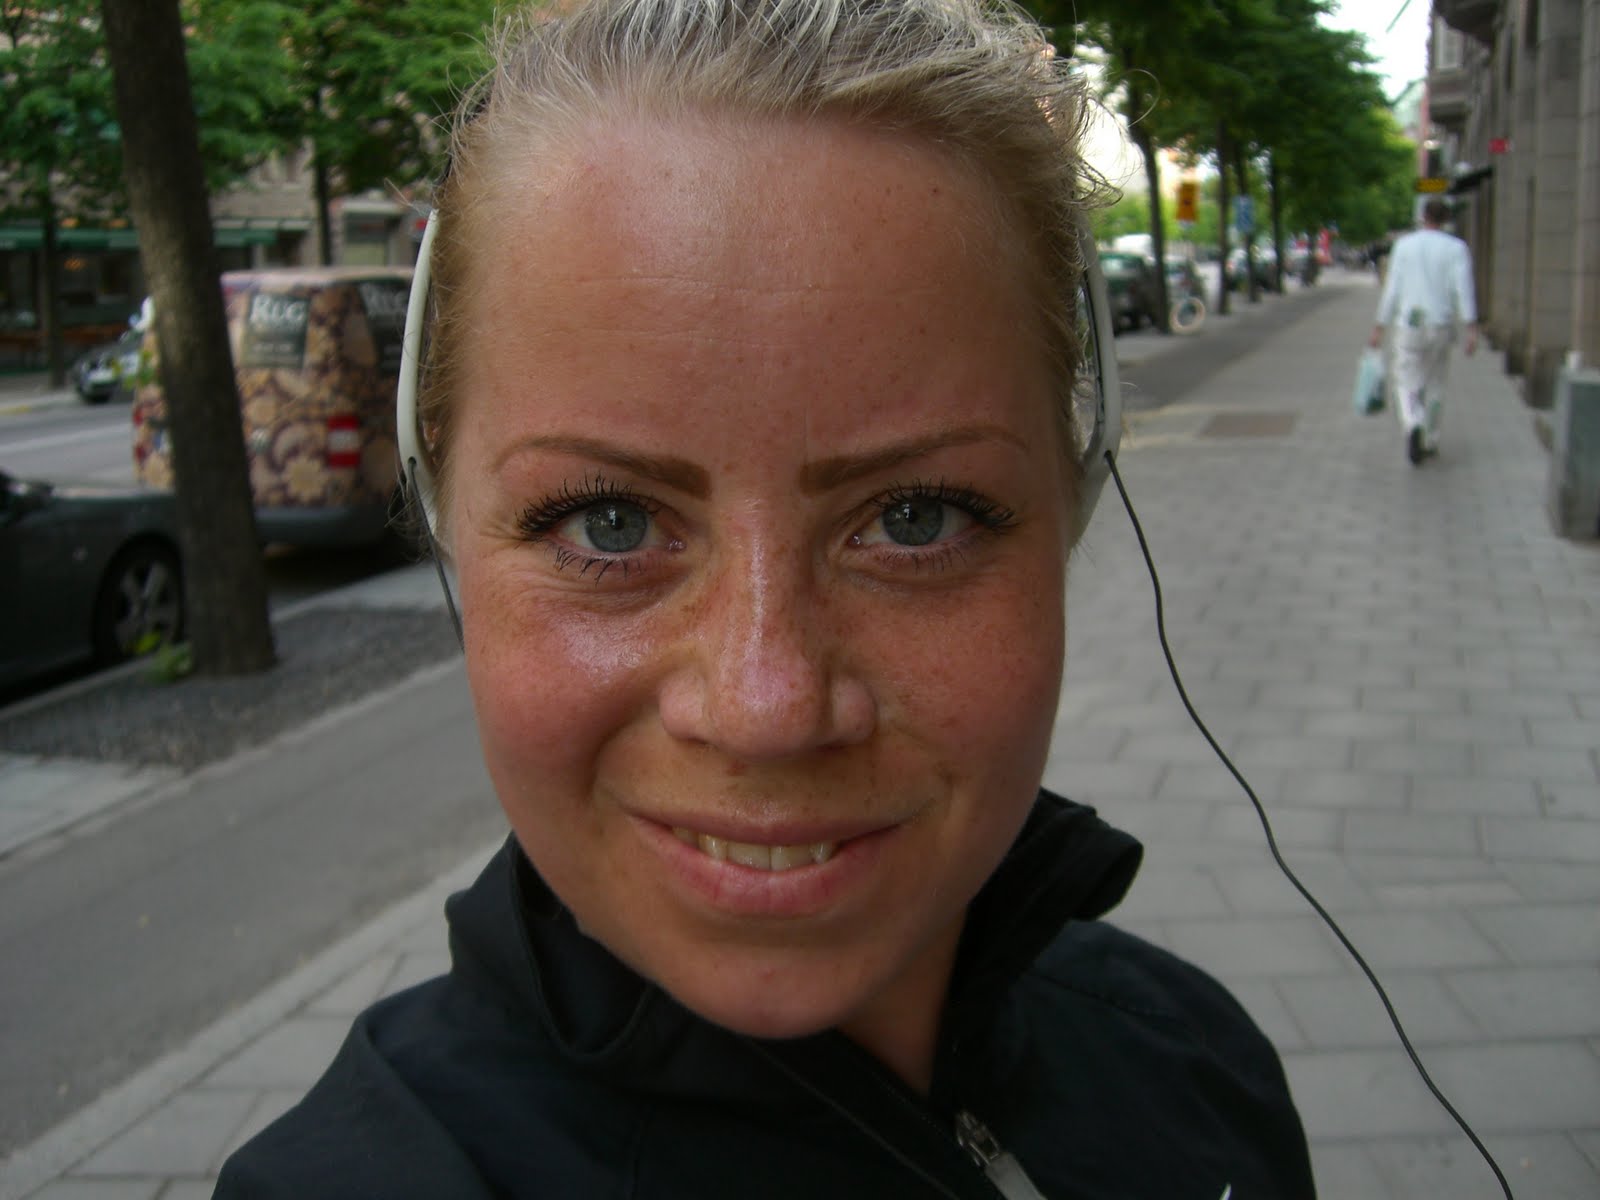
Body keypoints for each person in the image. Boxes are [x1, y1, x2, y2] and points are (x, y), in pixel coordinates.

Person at [217, 1, 1314, 1195]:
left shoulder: (1198, 1071)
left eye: (915, 518)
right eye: (608, 522)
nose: (767, 707)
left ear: (1075, 494)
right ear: (443, 508)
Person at [1368, 199, 1479, 465]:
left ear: (1422, 217)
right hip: (1440, 324)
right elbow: (1463, 288)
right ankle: (1431, 439)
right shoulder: (1456, 248)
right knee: (1437, 382)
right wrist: (1471, 327)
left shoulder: (1404, 246)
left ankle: (1413, 422)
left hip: (1410, 323)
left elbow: (1392, 289)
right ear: (1446, 220)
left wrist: (1379, 326)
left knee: (1406, 379)